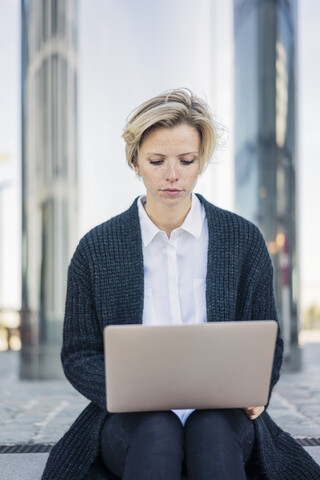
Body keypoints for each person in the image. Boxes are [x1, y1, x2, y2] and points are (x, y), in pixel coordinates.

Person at [42, 89, 320, 480]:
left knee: (212, 431)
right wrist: (124, 392)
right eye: (157, 161)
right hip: (129, 418)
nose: (172, 175)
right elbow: (78, 352)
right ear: (135, 162)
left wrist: (258, 389)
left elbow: (267, 342)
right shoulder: (96, 249)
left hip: (224, 414)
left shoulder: (243, 240)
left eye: (186, 161)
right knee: (156, 430)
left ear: (200, 162)